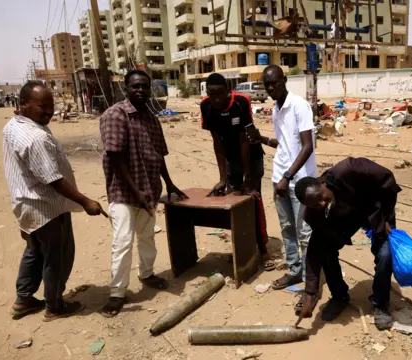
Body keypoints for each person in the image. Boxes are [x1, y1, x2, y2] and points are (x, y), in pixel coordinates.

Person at [2, 81, 107, 321]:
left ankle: (23, 299)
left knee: (35, 251)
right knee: (58, 256)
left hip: (24, 202)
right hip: (45, 207)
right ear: (24, 105)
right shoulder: (36, 137)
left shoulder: (13, 125)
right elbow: (54, 181)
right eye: (42, 106)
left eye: (51, 105)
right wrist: (85, 201)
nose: (49, 111)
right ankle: (55, 305)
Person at [99, 69, 187, 317]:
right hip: (124, 194)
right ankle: (117, 293)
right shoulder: (115, 115)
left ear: (150, 89)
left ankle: (146, 274)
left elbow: (159, 155)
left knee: (147, 237)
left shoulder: (151, 117)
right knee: (122, 243)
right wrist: (136, 191)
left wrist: (169, 183)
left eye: (144, 87)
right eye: (135, 86)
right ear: (126, 88)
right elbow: (115, 157)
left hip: (148, 190)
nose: (140, 91)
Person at [293, 157, 401, 330]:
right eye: (315, 205)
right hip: (347, 219)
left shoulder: (348, 170)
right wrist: (310, 294)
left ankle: (381, 304)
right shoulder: (315, 213)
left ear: (322, 183)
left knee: (385, 254)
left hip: (375, 211)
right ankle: (339, 297)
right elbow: (314, 252)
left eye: (321, 198)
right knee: (326, 252)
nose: (321, 204)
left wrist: (386, 217)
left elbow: (388, 179)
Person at [247, 65, 317, 290]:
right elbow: (285, 144)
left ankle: (309, 280)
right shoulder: (276, 109)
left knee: (304, 233)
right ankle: (295, 271)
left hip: (300, 181)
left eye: (274, 83)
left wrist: (288, 176)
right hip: (280, 179)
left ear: (284, 80)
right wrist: (262, 140)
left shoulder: (299, 106)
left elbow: (307, 147)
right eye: (266, 84)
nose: (270, 88)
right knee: (287, 228)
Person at [200, 73, 270, 260]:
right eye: (211, 94)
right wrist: (223, 178)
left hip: (251, 157)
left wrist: (248, 179)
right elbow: (217, 143)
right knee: (233, 203)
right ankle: (241, 248)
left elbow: (245, 141)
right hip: (231, 158)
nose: (216, 98)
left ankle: (262, 247)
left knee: (253, 199)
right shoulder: (205, 105)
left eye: (220, 93)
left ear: (227, 90)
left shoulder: (241, 101)